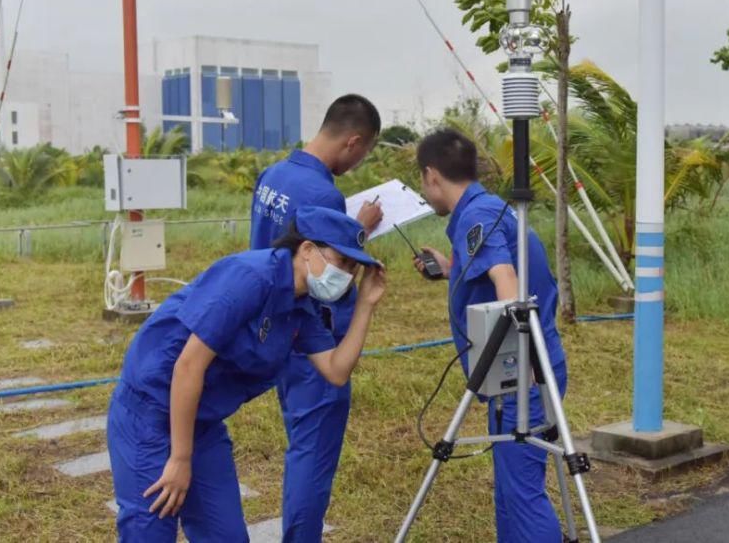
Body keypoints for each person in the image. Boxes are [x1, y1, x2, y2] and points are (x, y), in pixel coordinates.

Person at [107, 207, 386, 542]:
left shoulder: (302, 305)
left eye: (354, 269)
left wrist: (366, 305)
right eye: (342, 263)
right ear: (308, 250)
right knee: (149, 530)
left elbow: (336, 370)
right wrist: (180, 459)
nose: (347, 275)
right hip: (150, 413)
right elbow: (188, 366)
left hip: (202, 422)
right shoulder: (250, 277)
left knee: (226, 536)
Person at [412, 128, 568, 543]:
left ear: (431, 175)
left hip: (523, 376)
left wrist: (522, 366)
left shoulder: (477, 216)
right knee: (512, 494)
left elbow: (506, 278)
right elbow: (499, 264)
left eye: (423, 183)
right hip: (534, 366)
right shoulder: (490, 208)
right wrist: (452, 268)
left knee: (523, 497)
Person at [249, 94, 383, 540]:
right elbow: (330, 274)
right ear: (353, 141)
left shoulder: (273, 175)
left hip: (276, 328)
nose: (357, 163)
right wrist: (358, 230)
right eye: (362, 154)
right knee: (312, 453)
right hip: (314, 338)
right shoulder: (324, 192)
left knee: (300, 443)